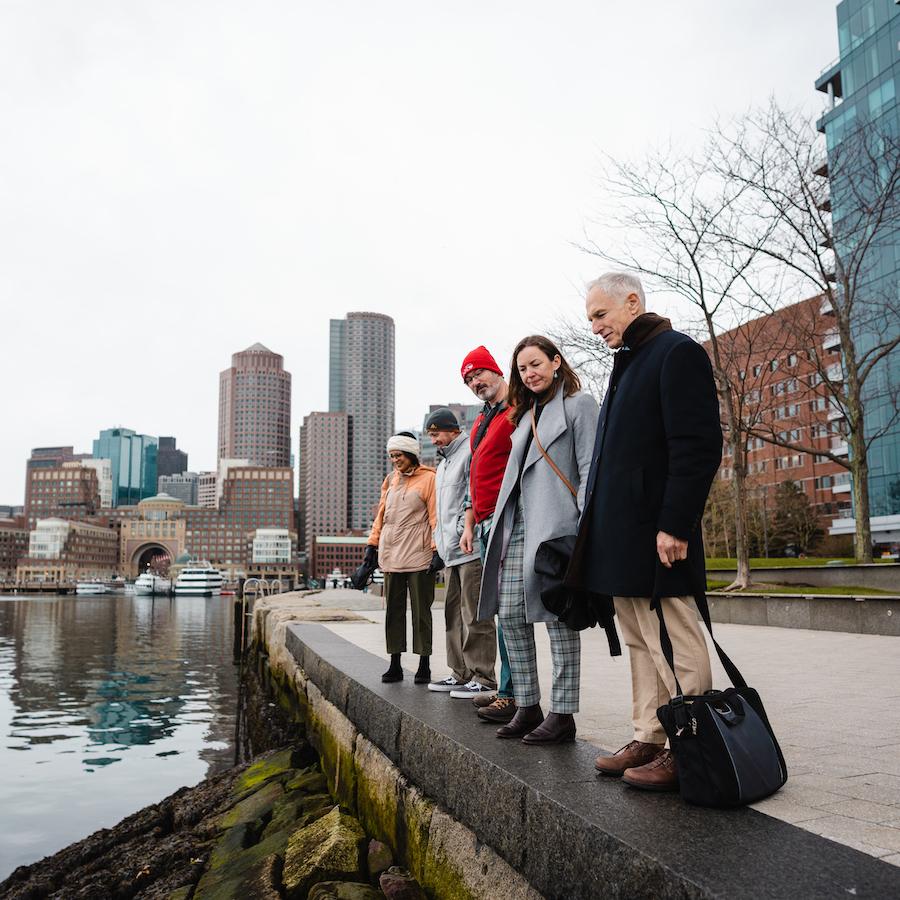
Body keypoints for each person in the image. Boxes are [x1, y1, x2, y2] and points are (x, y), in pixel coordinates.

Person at [567, 272, 721, 790]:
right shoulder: (628, 363)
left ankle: (691, 745)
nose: (594, 327)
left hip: (658, 535)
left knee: (674, 638)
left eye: (600, 315)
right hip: (622, 538)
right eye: (590, 318)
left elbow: (697, 445)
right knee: (638, 640)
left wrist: (675, 524)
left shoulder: (676, 353)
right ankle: (650, 735)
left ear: (632, 302)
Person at [478, 336, 598, 743]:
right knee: (509, 614)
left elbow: (588, 469)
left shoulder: (579, 405)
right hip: (516, 527)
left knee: (559, 620)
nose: (530, 373)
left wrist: (584, 531)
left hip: (556, 529)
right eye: (523, 369)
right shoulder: (523, 414)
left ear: (556, 362)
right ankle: (528, 705)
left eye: (536, 364)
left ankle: (562, 714)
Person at [457, 347, 518, 724]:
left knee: (511, 612)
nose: (475, 382)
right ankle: (508, 690)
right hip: (482, 524)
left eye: (479, 373)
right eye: (468, 379)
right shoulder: (481, 420)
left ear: (495, 371)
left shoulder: (517, 408)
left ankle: (514, 694)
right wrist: (468, 523)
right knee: (497, 610)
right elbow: (473, 478)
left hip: (507, 518)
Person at [425, 407, 497, 699]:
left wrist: (456, 531)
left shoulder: (469, 451)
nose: (434, 440)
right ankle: (460, 673)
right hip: (450, 553)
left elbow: (473, 496)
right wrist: (439, 543)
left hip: (469, 549)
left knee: (475, 615)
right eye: (430, 435)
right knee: (452, 615)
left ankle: (483, 676)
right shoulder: (442, 464)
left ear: (453, 430)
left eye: (437, 433)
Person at [365, 432, 442, 684]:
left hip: (419, 556)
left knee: (421, 612)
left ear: (411, 454)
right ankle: (395, 663)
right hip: (391, 556)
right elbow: (381, 516)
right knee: (393, 612)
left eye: (398, 455)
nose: (395, 460)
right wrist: (372, 545)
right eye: (391, 456)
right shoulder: (390, 480)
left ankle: (424, 664)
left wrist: (436, 550)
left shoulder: (430, 479)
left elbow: (435, 517)